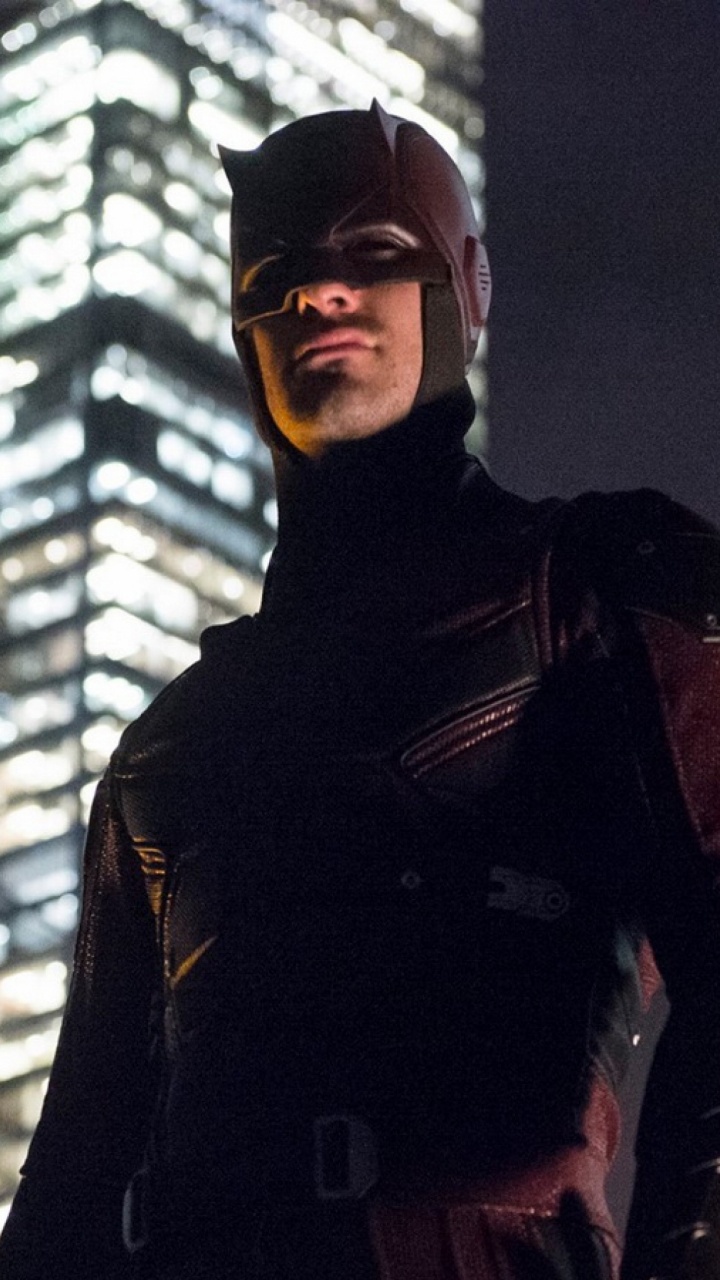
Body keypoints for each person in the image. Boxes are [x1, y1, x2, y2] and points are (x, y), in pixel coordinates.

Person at [1, 100, 719, 1280]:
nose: (321, 290)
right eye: (278, 269)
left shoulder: (598, 588)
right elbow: (75, 1176)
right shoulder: (166, 752)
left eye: (376, 250)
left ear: (464, 286)